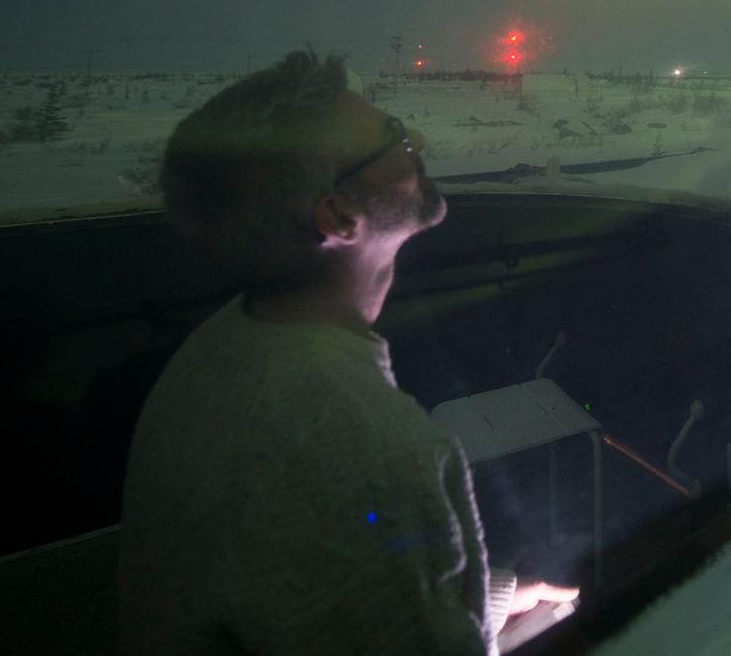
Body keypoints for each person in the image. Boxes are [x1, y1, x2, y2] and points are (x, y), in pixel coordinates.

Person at [119, 51, 576, 655]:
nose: (416, 138)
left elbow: (319, 580)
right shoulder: (373, 451)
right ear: (339, 216)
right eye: (391, 136)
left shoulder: (224, 348)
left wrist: (484, 601)